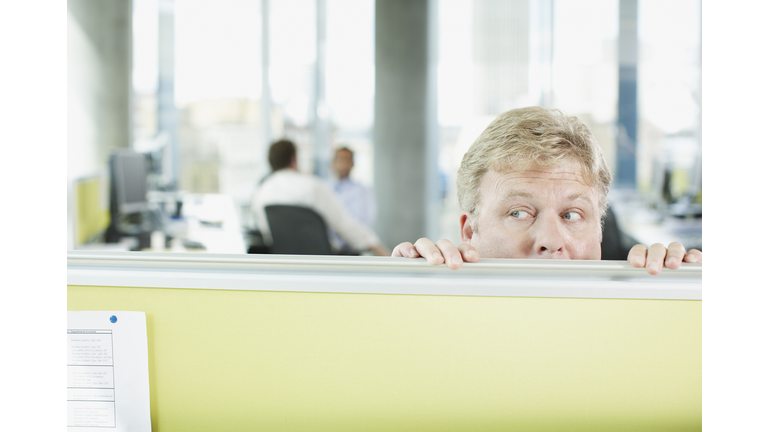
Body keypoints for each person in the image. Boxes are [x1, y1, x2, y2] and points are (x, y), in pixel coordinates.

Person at [391, 107, 702, 275]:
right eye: (519, 213)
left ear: (600, 233)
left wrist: (679, 287)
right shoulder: (440, 313)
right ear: (470, 231)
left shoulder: (637, 319)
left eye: (572, 214)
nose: (551, 242)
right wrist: (412, 290)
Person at [252, 139, 389, 256]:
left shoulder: (261, 192)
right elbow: (347, 226)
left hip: (285, 266)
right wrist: (385, 254)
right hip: (324, 264)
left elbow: (267, 234)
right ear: (294, 159)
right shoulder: (312, 186)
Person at [326, 147, 377, 253]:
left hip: (351, 249)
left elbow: (362, 221)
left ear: (352, 164)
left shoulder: (362, 191)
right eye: (340, 159)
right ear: (333, 163)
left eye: (347, 160)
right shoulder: (324, 188)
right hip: (327, 247)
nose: (343, 164)